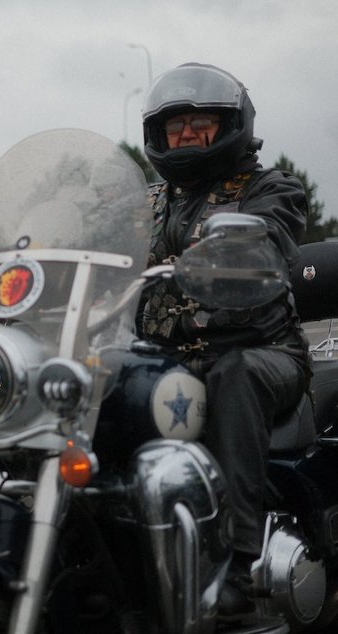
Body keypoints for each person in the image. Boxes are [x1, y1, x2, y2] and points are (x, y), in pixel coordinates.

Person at [139, 63, 309, 623]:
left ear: (229, 126)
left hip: (263, 351)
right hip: (166, 361)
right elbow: (99, 250)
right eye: (175, 126)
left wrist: (230, 255)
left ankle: (238, 560)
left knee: (233, 374)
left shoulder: (269, 188)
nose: (186, 135)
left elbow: (273, 238)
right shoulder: (148, 203)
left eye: (200, 122)